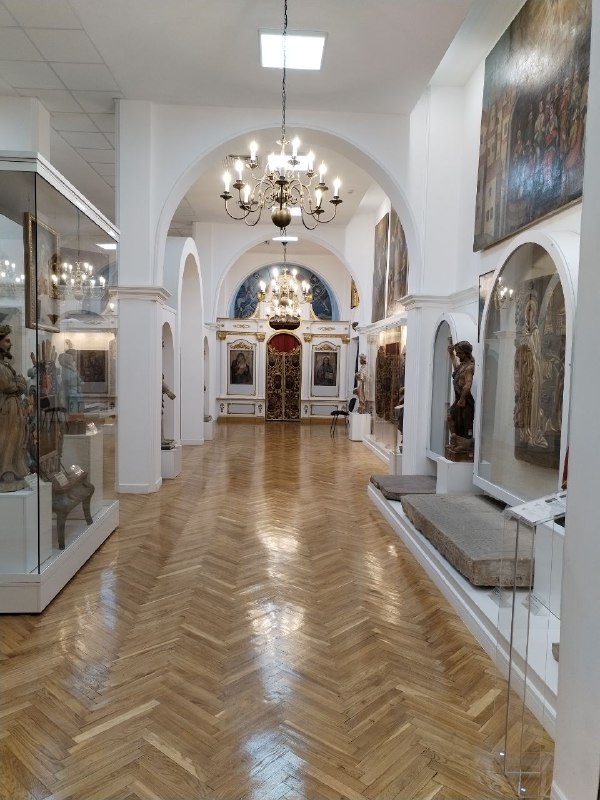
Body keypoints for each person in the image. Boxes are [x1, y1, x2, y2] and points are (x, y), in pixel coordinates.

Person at [0, 325, 29, 491]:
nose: (10, 344)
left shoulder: (4, 365)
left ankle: (12, 467)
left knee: (16, 438)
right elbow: (8, 386)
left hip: (13, 407)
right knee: (7, 439)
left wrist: (19, 384)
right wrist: (20, 384)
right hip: (6, 408)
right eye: (6, 341)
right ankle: (6, 470)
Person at [447, 340, 475, 446]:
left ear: (465, 352)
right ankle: (455, 440)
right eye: (457, 353)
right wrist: (451, 354)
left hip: (465, 400)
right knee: (451, 418)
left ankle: (465, 445)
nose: (457, 355)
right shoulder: (462, 365)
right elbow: (456, 369)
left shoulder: (469, 367)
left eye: (459, 353)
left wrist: (462, 398)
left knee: (465, 424)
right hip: (459, 398)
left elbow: (468, 384)